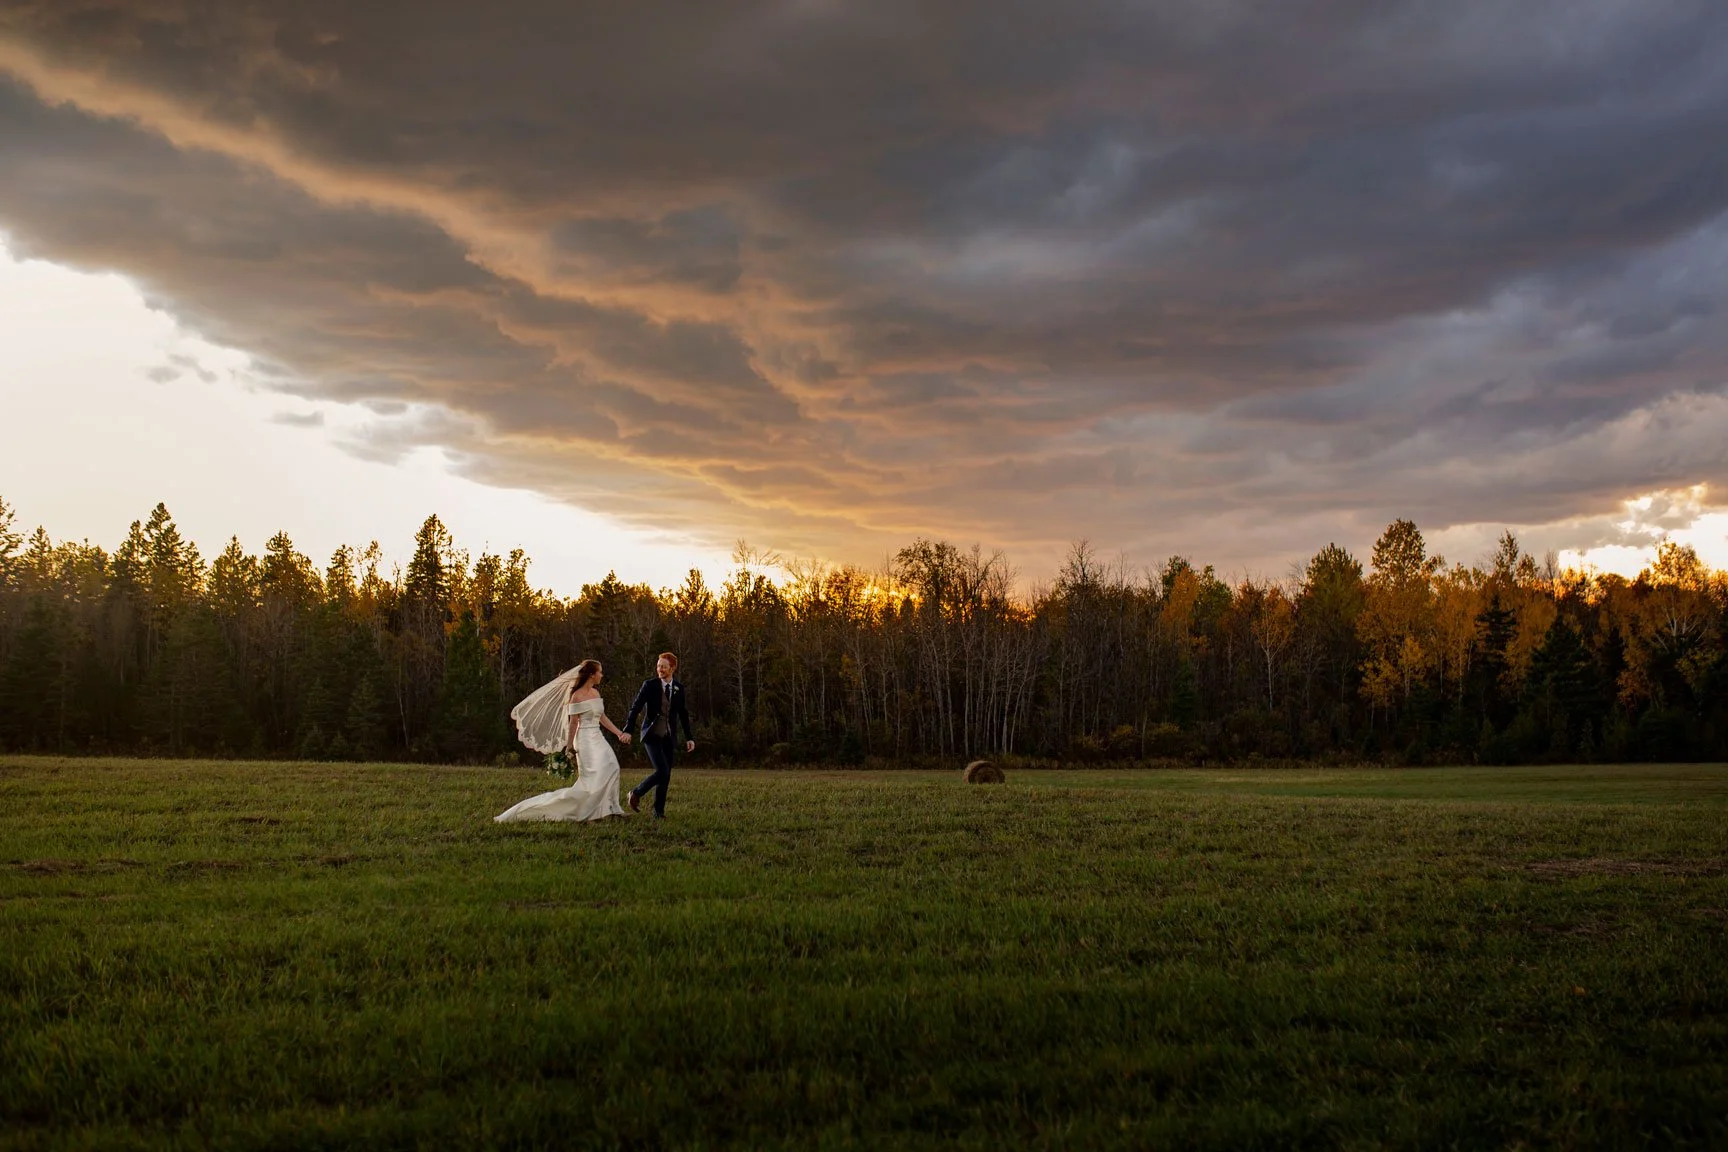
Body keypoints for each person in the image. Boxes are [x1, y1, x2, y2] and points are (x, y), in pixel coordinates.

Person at [494, 659, 632, 823]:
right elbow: (573, 722)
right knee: (590, 780)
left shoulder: (596, 693)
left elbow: (602, 717)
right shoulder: (577, 696)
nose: (602, 675)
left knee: (612, 767)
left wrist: (618, 733)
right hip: (584, 739)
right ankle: (589, 813)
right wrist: (569, 746)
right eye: (599, 672)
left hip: (597, 737)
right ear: (591, 675)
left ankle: (611, 808)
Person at [624, 651, 694, 819]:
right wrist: (628, 729)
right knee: (662, 770)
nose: (660, 669)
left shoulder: (679, 688)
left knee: (666, 775)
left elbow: (683, 714)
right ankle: (636, 793)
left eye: (663, 666)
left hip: (669, 737)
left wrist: (689, 737)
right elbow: (636, 707)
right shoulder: (649, 685)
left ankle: (658, 812)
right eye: (658, 666)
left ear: (673, 668)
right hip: (652, 734)